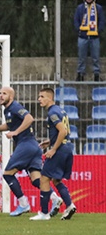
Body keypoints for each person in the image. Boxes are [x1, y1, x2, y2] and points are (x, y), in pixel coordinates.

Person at [0, 86, 42, 216]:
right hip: (33, 146)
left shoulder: (15, 107)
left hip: (25, 145)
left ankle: (23, 204)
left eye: (4, 94)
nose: (0, 96)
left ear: (11, 96)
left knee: (7, 174)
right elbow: (9, 125)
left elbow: (29, 118)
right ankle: (55, 198)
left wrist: (16, 132)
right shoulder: (8, 110)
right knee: (36, 180)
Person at [31, 88, 77, 221]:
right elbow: (63, 132)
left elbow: (62, 131)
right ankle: (69, 206)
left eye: (42, 96)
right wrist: (50, 141)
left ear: (50, 98)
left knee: (44, 179)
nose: (39, 99)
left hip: (61, 148)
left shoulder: (52, 112)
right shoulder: (60, 110)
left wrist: (53, 149)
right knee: (56, 180)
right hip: (68, 147)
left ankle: (44, 213)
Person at [73, 0, 102, 82]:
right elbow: (76, 20)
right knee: (81, 56)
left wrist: (98, 30)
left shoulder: (98, 8)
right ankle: (80, 74)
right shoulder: (80, 8)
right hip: (83, 36)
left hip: (94, 36)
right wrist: (79, 30)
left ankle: (96, 74)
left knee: (95, 57)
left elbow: (102, 20)